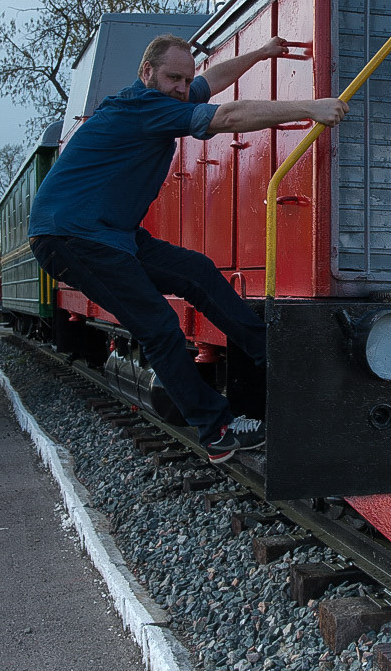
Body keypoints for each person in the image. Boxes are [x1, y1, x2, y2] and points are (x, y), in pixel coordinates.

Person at [28, 33, 347, 462]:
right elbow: (228, 117)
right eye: (174, 78)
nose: (183, 87)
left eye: (185, 79)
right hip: (70, 235)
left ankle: (274, 355)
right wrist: (310, 108)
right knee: (158, 325)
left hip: (112, 234)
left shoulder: (169, 96)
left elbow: (211, 82)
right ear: (147, 74)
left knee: (195, 271)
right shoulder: (142, 107)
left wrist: (261, 53)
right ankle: (215, 428)